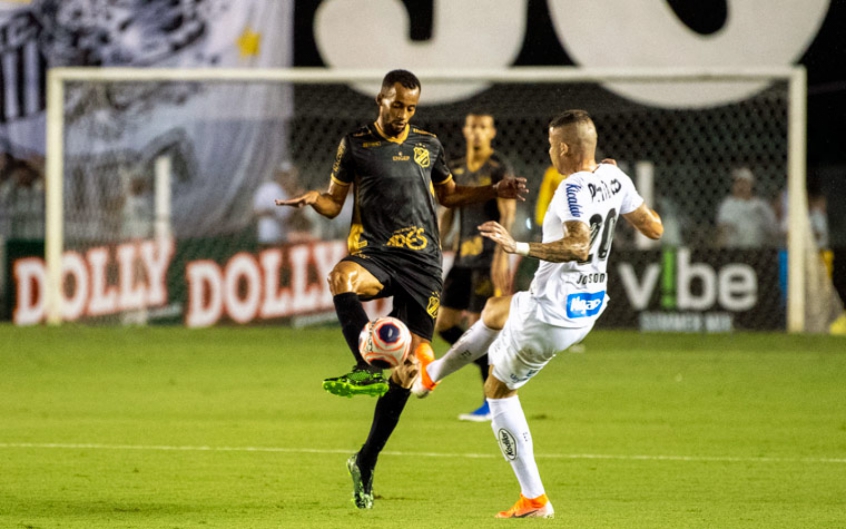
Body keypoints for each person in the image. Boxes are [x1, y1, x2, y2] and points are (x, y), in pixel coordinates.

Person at [275, 69, 527, 509]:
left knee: (408, 372)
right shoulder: (355, 144)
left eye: (411, 107)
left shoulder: (427, 145)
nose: (403, 114)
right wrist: (316, 198)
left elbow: (448, 196)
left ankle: (365, 460)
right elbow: (336, 204)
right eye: (397, 105)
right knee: (340, 277)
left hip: (423, 265)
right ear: (380, 98)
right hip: (375, 253)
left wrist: (493, 188)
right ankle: (363, 364)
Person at [413, 110, 663, 518]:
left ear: (564, 148)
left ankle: (534, 499)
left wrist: (520, 247)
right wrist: (614, 189)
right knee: (495, 310)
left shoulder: (569, 188)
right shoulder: (616, 178)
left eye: (551, 145)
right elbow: (654, 228)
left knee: (497, 391)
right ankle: (431, 376)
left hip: (550, 315)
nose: (548, 151)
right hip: (588, 306)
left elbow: (579, 245)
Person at [436, 111, 516, 422]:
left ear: (492, 131)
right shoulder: (454, 168)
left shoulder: (499, 168)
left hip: (486, 259)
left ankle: (492, 399)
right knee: (444, 324)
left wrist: (501, 255)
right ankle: (485, 363)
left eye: (484, 127)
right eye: (473, 127)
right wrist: (436, 246)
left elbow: (507, 214)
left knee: (486, 326)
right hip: (462, 258)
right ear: (465, 130)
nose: (478, 132)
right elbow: (448, 211)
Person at [715, 167, 778, 248]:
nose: (740, 186)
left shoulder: (761, 205)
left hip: (758, 248)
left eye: (744, 182)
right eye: (737, 183)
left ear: (751, 185)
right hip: (734, 249)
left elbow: (773, 228)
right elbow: (722, 228)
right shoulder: (728, 204)